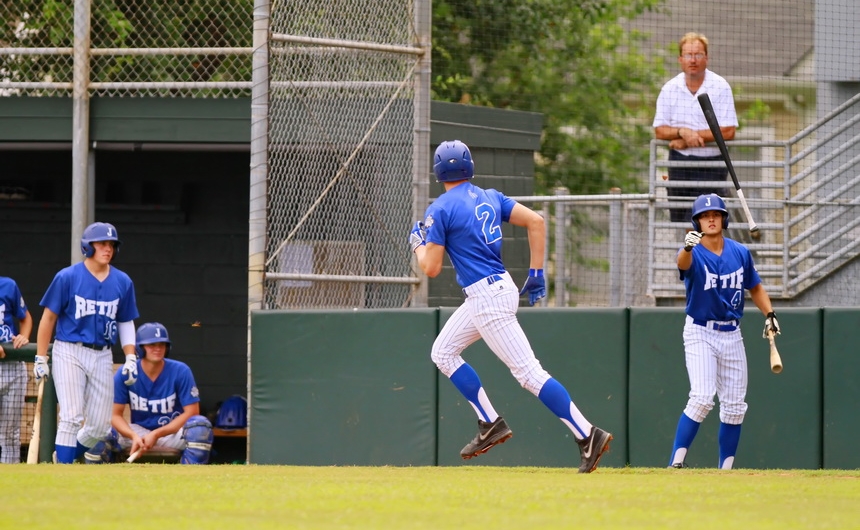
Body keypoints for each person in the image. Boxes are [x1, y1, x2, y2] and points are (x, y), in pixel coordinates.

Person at [409, 139, 613, 473]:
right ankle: (489, 422)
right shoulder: (489, 196)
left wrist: (418, 244)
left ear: (438, 171)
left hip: (487, 298)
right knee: (443, 352)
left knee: (529, 374)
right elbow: (536, 221)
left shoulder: (441, 207)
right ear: (469, 166)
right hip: (493, 290)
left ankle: (587, 433)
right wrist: (535, 271)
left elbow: (429, 267)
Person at [669, 193, 779, 469]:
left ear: (723, 219)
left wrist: (769, 314)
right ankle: (675, 464)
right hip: (700, 330)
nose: (710, 219)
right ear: (697, 222)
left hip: (731, 333)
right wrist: (687, 247)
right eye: (705, 216)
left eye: (715, 215)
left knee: (734, 407)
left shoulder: (739, 252)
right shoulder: (693, 252)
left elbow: (754, 287)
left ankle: (726, 470)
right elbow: (682, 264)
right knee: (702, 398)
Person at [35, 222, 140, 464]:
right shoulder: (67, 277)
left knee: (100, 428)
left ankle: (63, 455)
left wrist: (131, 356)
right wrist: (41, 356)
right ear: (88, 246)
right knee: (71, 417)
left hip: (103, 354)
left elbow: (125, 321)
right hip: (69, 350)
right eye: (102, 243)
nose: (108, 248)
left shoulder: (122, 281)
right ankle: (63, 468)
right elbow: (48, 318)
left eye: (112, 244)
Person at [85, 322, 213, 464]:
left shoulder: (181, 371)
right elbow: (114, 415)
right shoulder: (127, 372)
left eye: (162, 344)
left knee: (200, 426)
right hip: (139, 432)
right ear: (140, 348)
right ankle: (102, 477)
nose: (158, 349)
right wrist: (133, 436)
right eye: (152, 345)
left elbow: (192, 413)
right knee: (98, 429)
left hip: (170, 432)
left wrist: (157, 434)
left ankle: (188, 476)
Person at [653, 32, 738, 224]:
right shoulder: (669, 89)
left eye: (698, 55)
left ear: (706, 58)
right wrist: (682, 132)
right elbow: (659, 130)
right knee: (683, 220)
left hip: (712, 164)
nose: (693, 60)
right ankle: (692, 254)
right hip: (679, 163)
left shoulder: (720, 87)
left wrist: (689, 140)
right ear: (680, 59)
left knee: (706, 221)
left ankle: (704, 254)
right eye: (688, 55)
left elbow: (728, 131)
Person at [0, 276, 33, 463]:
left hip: (11, 365)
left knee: (10, 435)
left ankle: (8, 476)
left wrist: (23, 336)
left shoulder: (8, 285)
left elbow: (25, 318)